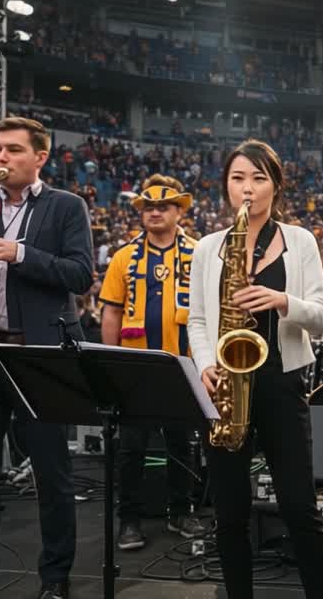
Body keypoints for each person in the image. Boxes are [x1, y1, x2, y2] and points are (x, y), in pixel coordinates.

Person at [0, 116, 94, 599]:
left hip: (42, 356)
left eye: (12, 150)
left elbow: (79, 275)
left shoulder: (66, 207)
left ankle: (55, 579)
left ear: (40, 157)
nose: (1, 159)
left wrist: (17, 252)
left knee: (53, 476)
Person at [187, 140, 323, 599]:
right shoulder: (209, 247)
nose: (247, 188)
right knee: (229, 514)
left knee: (299, 507)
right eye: (237, 178)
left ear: (276, 185)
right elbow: (197, 319)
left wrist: (282, 301)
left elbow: (322, 317)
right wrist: (207, 365)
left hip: (281, 383)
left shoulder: (300, 240)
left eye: (258, 178)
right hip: (226, 386)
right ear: (226, 186)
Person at [98, 175, 207, 551]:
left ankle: (181, 512)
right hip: (135, 371)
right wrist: (109, 365)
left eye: (163, 206)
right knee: (131, 448)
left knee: (182, 444)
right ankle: (129, 519)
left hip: (184, 366)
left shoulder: (199, 253)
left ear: (180, 211)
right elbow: (111, 313)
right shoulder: (123, 257)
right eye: (148, 208)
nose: (155, 212)